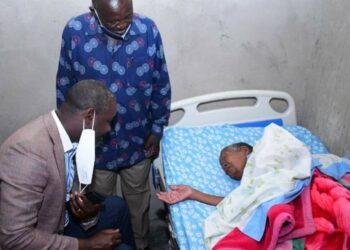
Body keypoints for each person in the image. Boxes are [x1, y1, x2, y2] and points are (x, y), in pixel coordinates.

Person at [56, 1, 171, 248]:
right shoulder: (75, 32)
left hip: (138, 138)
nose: (120, 26)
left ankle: (140, 246)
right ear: (94, 11)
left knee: (138, 204)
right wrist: (72, 140)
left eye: (126, 18)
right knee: (101, 209)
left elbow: (160, 81)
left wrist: (157, 129)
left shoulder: (148, 30)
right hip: (95, 145)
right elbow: (65, 86)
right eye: (112, 21)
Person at [0, 80, 135, 250]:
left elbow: (64, 197)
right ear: (89, 116)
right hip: (38, 236)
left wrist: (87, 215)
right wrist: (87, 245)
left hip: (59, 220)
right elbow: (14, 239)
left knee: (117, 207)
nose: (109, 129)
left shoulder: (70, 137)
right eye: (108, 121)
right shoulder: (28, 155)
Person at [156, 142, 252, 206]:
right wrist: (193, 194)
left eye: (225, 162)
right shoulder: (250, 185)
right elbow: (240, 204)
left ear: (244, 151)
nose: (225, 170)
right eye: (223, 168)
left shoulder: (263, 152)